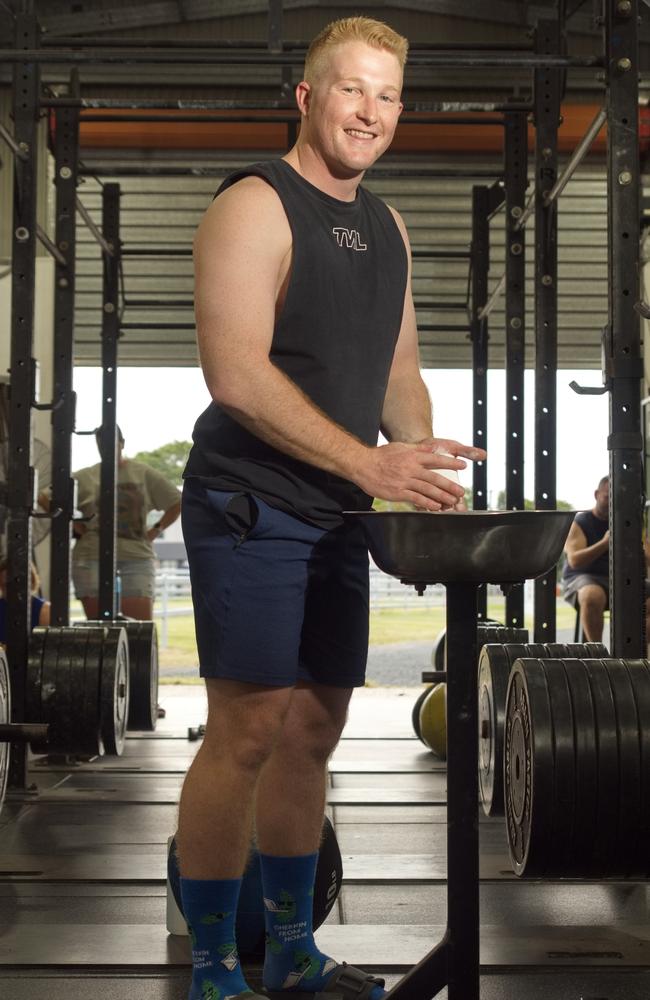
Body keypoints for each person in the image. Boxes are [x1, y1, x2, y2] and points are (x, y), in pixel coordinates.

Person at [178, 17, 485, 1000]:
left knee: (312, 727)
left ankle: (294, 945)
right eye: (351, 89)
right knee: (247, 729)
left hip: (337, 513)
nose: (370, 111)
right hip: (248, 502)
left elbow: (399, 377)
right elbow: (234, 376)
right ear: (306, 98)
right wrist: (370, 464)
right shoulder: (254, 206)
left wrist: (422, 475)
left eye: (387, 94)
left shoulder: (385, 227)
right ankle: (217, 964)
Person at [72, 426, 181, 620]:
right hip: (92, 555)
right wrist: (75, 525)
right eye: (100, 444)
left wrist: (155, 531)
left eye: (110, 443)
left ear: (122, 443)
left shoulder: (142, 473)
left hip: (135, 556)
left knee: (139, 631)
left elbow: (177, 502)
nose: (105, 448)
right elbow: (47, 498)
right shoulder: (86, 476)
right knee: (99, 631)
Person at [562, 475, 610, 641]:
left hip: (617, 580)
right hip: (581, 578)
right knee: (593, 595)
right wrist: (604, 544)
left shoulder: (628, 522)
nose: (612, 501)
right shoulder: (580, 522)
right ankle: (598, 658)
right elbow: (574, 560)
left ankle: (634, 659)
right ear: (596, 495)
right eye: (607, 496)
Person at [0, 558, 50, 644]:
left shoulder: (45, 611)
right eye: (6, 586)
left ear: (30, 582)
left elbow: (49, 650)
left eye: (16, 584)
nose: (12, 591)